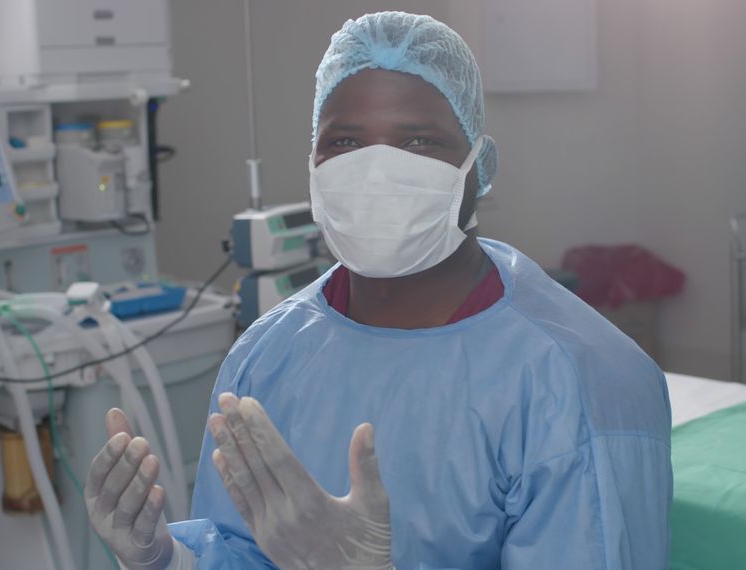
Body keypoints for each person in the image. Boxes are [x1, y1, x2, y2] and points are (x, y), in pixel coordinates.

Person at [85, 11, 672, 570]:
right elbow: (244, 550)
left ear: (479, 166)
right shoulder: (266, 356)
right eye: (344, 143)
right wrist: (169, 558)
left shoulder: (579, 382)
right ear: (313, 165)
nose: (376, 170)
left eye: (417, 142)